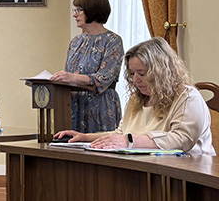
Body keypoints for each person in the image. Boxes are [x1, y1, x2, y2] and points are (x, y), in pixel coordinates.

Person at [54, 37, 215, 155]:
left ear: (161, 72)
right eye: (132, 73)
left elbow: (181, 140)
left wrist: (129, 141)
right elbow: (121, 133)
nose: (135, 79)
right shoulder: (137, 99)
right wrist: (85, 137)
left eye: (142, 73)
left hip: (188, 173)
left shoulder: (187, 97)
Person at [49, 0, 123, 133]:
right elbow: (69, 75)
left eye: (78, 10)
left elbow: (104, 77)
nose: (74, 15)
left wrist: (73, 77)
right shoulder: (76, 42)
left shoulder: (113, 40)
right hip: (73, 105)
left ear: (92, 10)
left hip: (100, 106)